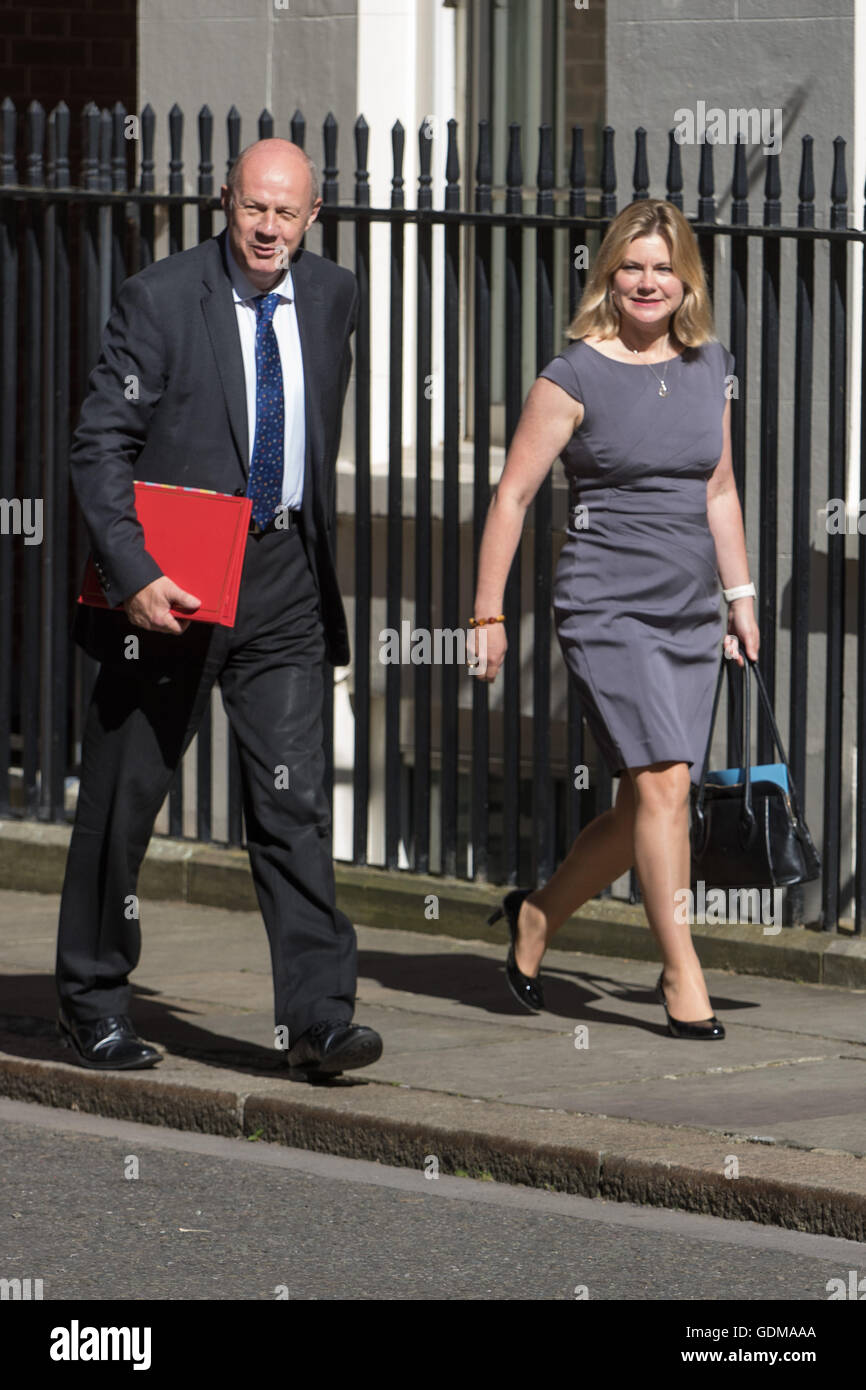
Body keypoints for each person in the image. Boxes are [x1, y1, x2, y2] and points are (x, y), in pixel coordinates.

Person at [56, 138, 382, 1081]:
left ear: (313, 217)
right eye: (253, 208)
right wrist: (134, 571)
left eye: (287, 213)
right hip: (174, 587)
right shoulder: (160, 299)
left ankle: (319, 1020)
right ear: (224, 203)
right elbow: (99, 446)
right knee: (125, 801)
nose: (268, 228)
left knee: (295, 801)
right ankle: (92, 1000)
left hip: (282, 581)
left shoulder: (332, 296)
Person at [470, 198, 759, 1039]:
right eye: (632, 265)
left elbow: (719, 488)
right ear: (608, 273)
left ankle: (536, 917)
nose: (647, 281)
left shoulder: (713, 367)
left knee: (647, 802)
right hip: (607, 606)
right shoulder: (574, 375)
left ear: (686, 280)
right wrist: (487, 613)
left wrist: (741, 600)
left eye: (663, 267)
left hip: (687, 608)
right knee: (667, 782)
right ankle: (682, 971)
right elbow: (514, 494)